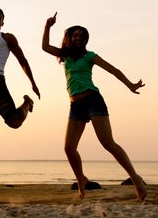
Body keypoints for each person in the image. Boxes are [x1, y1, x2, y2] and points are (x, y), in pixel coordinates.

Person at [42, 12, 147, 201]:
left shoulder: (90, 56)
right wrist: (48, 26)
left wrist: (130, 85)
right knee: (69, 148)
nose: (78, 38)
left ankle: (136, 179)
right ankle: (81, 179)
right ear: (69, 38)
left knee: (108, 143)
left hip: (93, 100)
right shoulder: (65, 56)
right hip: (75, 106)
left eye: (82, 36)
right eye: (75, 35)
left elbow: (113, 70)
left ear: (85, 40)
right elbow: (45, 47)